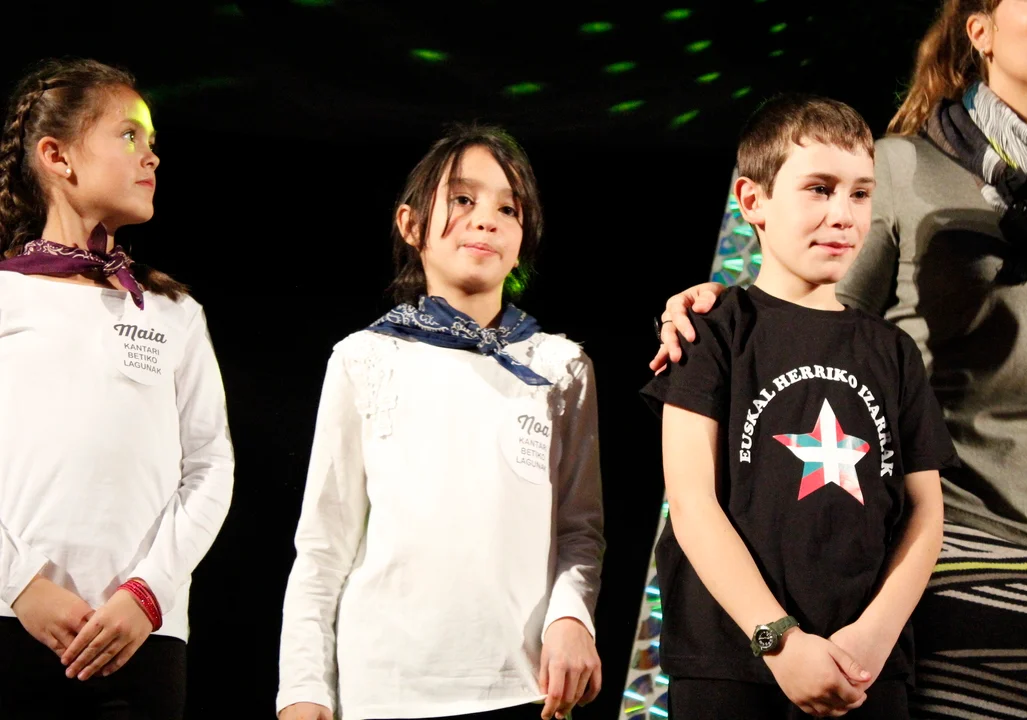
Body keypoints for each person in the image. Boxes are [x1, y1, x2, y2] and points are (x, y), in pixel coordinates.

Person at [654, 0, 1027, 715]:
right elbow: (809, 322)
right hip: (967, 574)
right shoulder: (901, 168)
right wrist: (718, 306)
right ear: (978, 31)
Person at [641, 94, 958, 719]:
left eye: (860, 193)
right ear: (752, 200)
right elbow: (692, 502)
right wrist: (778, 639)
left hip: (865, 672)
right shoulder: (710, 331)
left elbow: (925, 512)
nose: (843, 214)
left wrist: (873, 639)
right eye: (819, 189)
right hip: (729, 665)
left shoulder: (893, 352)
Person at [276, 124, 604, 720]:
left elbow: (580, 530)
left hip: (524, 686)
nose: (486, 220)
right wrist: (303, 688)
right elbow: (323, 542)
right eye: (462, 199)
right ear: (410, 224)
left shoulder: (559, 366)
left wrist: (571, 617)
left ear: (523, 237)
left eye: (508, 208)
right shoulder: (364, 357)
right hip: (385, 689)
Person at [0, 58, 234, 719]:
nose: (151, 156)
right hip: (11, 620)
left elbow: (211, 464)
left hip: (139, 636)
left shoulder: (173, 312)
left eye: (152, 141)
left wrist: (147, 593)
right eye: (129, 135)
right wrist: (19, 585)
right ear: (57, 157)